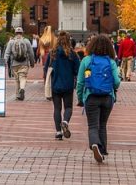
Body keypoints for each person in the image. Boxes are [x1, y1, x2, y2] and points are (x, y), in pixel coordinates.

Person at [76, 33, 121, 164]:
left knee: (92, 125)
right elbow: (117, 81)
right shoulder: (111, 62)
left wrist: (80, 98)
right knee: (103, 124)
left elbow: (80, 82)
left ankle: (94, 143)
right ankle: (102, 150)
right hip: (107, 97)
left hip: (91, 96)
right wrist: (112, 88)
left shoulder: (86, 60)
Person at [45, 31, 80, 140]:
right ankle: (65, 121)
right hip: (68, 85)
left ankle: (58, 132)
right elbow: (77, 70)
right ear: (69, 40)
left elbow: (46, 69)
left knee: (57, 108)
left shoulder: (52, 53)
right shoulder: (73, 54)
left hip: (55, 85)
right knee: (68, 107)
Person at [4, 27, 34, 101]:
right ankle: (22, 89)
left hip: (14, 64)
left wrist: (5, 62)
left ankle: (18, 95)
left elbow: (7, 53)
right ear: (22, 33)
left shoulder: (11, 42)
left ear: (15, 33)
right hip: (24, 63)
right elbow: (31, 53)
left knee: (17, 79)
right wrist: (32, 62)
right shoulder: (26, 41)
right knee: (23, 77)